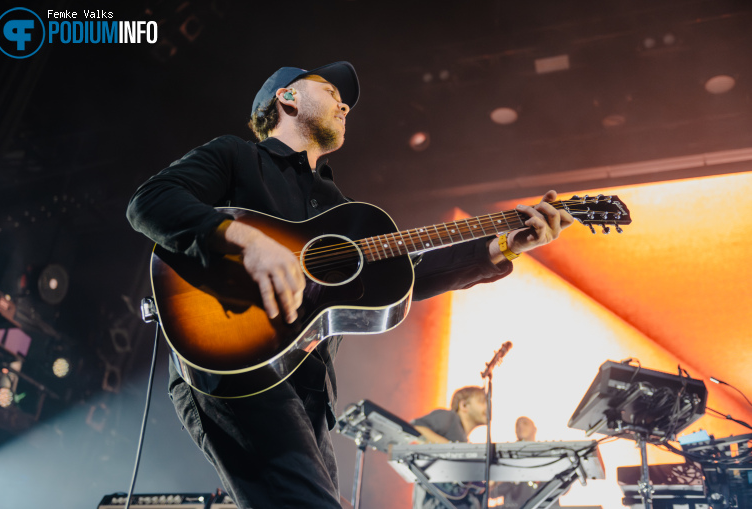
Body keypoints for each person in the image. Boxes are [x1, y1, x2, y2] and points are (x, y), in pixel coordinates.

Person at [126, 61, 573, 509]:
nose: (344, 104)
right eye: (329, 90)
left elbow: (406, 278)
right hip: (231, 360)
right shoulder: (237, 158)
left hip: (309, 389)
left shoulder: (343, 212)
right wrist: (245, 240)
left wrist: (502, 247)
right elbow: (150, 203)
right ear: (287, 97)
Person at [410, 386, 490, 509]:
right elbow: (415, 428)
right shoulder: (449, 417)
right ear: (463, 405)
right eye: (482, 401)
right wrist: (451, 450)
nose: (488, 407)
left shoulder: (465, 441)